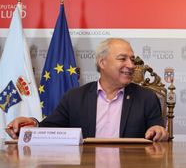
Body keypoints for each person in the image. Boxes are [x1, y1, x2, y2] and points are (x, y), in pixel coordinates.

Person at [6, 38, 168, 142]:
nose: (131, 65)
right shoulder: (75, 97)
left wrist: (159, 131)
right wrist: (30, 123)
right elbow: (47, 127)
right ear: (102, 63)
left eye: (132, 60)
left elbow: (158, 132)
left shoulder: (146, 98)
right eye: (122, 59)